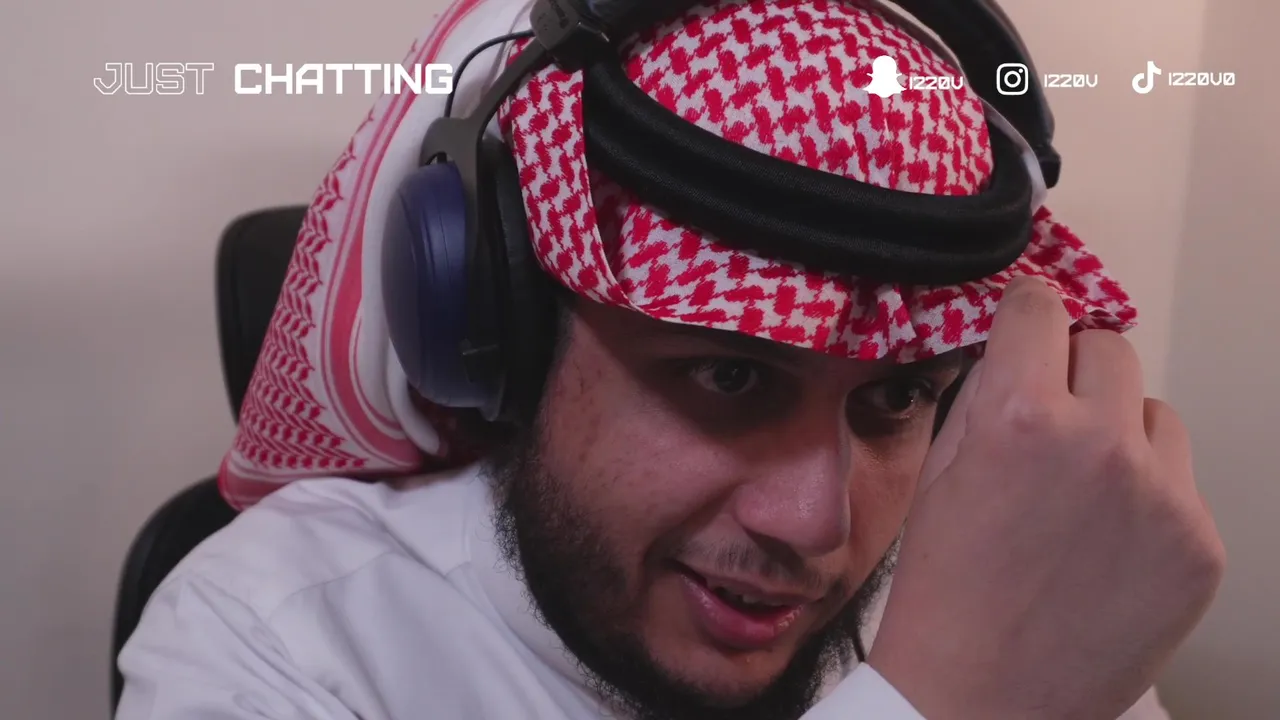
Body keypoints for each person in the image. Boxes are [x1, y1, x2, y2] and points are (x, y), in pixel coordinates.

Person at [115, 0, 1224, 718]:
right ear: (506, 337)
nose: (815, 523)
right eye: (731, 376)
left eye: (894, 397)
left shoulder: (985, 592)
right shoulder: (275, 642)